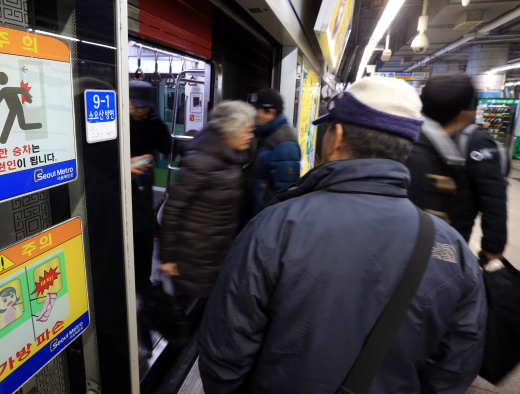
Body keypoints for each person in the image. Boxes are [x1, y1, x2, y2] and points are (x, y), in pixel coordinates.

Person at [198, 77, 486, 393]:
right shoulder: (452, 248)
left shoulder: (275, 226)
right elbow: (456, 368)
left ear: (335, 137)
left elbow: (226, 346)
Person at [158, 101, 256, 298]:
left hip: (216, 251)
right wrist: (167, 258)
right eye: (246, 131)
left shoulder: (232, 157)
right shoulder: (201, 161)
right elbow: (174, 209)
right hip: (194, 256)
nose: (250, 135)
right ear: (229, 131)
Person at [405, 74, 507, 261]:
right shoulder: (476, 141)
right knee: (442, 275)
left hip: (407, 234)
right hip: (451, 239)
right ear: (465, 111)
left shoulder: (409, 133)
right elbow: (493, 199)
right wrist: (493, 248)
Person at [128, 80, 172, 291]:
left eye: (144, 106)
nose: (139, 110)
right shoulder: (115, 123)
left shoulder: (151, 122)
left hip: (144, 190)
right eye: (135, 104)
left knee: (144, 239)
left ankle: (143, 284)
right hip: (122, 191)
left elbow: (166, 147)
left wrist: (157, 124)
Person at [249, 88, 301, 213]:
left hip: (264, 214)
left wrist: (262, 213)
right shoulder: (266, 133)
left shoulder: (284, 143)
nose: (255, 114)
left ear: (271, 112)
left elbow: (283, 190)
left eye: (257, 110)